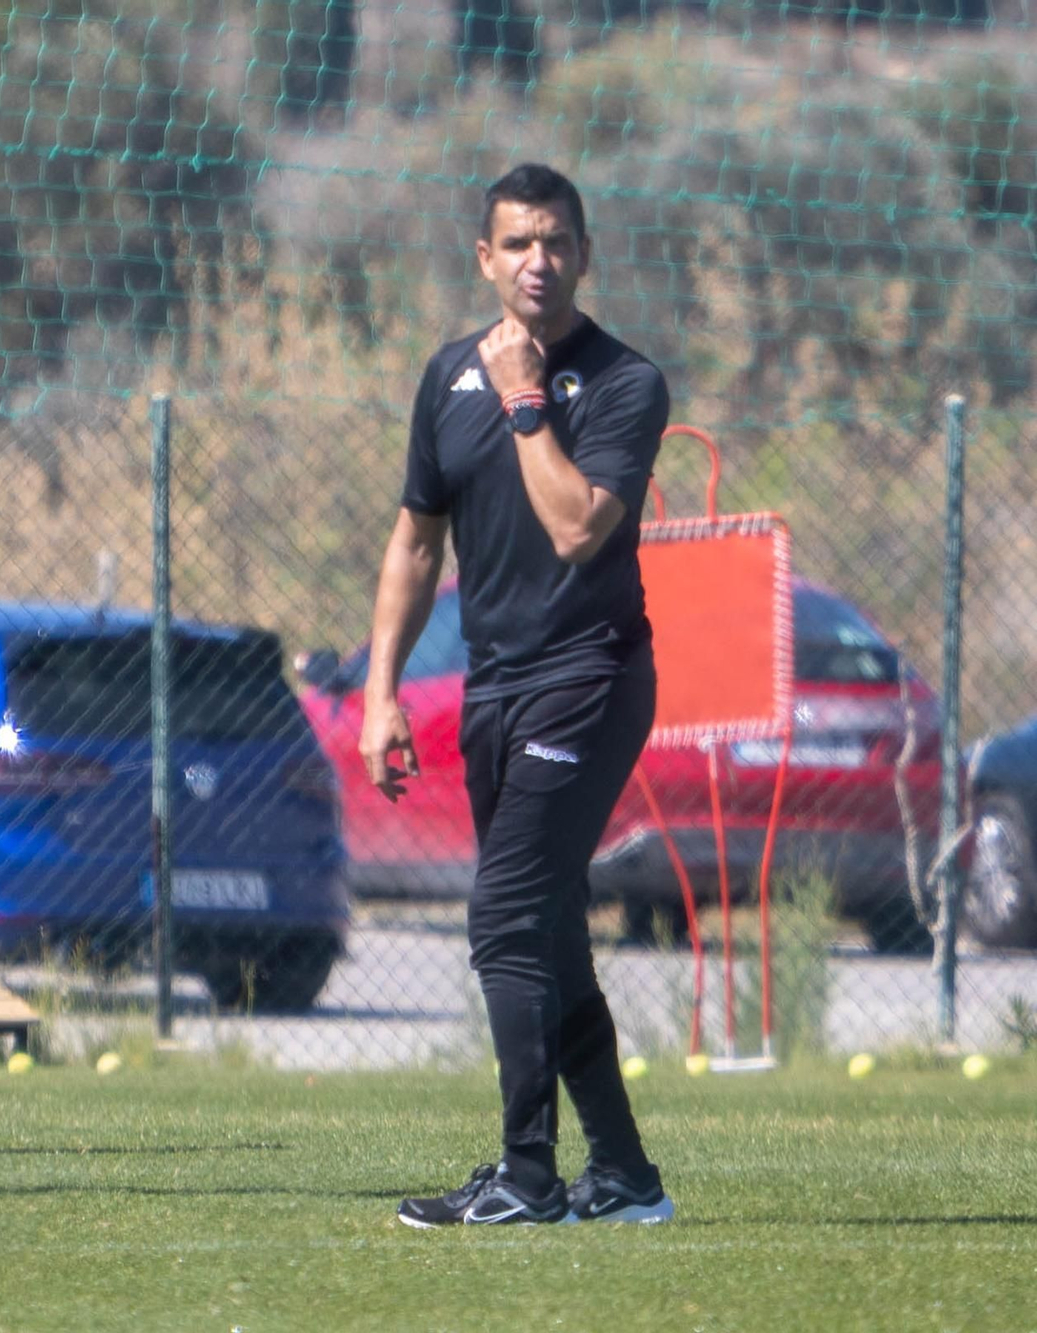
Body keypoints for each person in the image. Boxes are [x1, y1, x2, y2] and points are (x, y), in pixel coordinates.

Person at [360, 163, 675, 1227]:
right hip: (493, 687)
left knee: (500, 915)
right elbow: (414, 538)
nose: (536, 260)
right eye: (516, 243)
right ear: (484, 259)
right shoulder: (446, 375)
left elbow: (579, 525)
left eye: (555, 241)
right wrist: (379, 692)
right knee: (545, 933)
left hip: (589, 677)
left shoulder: (624, 383)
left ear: (583, 255)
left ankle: (526, 1175)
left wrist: (525, 401)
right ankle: (625, 1177)